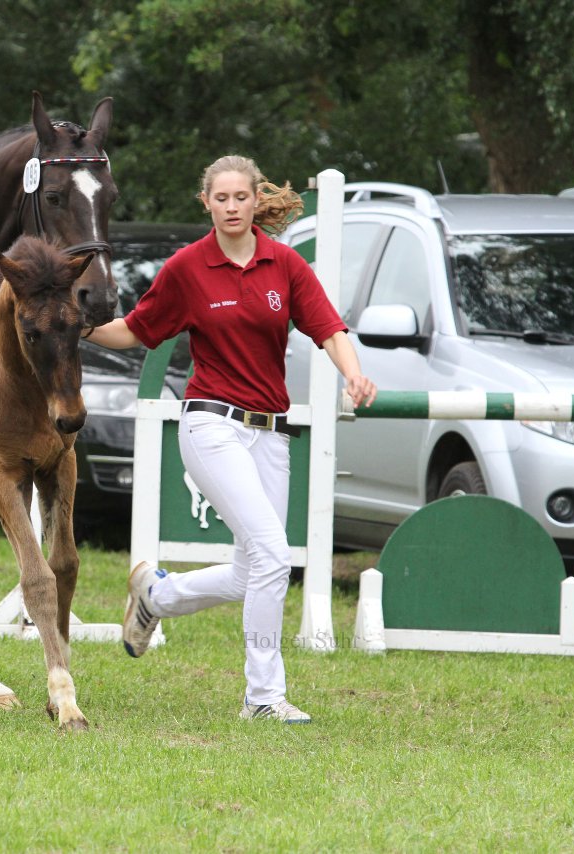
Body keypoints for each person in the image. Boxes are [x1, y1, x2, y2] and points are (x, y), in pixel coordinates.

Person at [85, 154, 376, 724]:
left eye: (241, 197)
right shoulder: (188, 268)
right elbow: (134, 332)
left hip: (271, 432)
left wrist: (353, 372)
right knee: (272, 554)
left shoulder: (285, 264)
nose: (232, 207)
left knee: (255, 569)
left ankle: (157, 598)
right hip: (209, 424)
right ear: (207, 204)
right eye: (221, 199)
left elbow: (329, 328)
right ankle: (263, 697)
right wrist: (70, 323)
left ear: (254, 199)